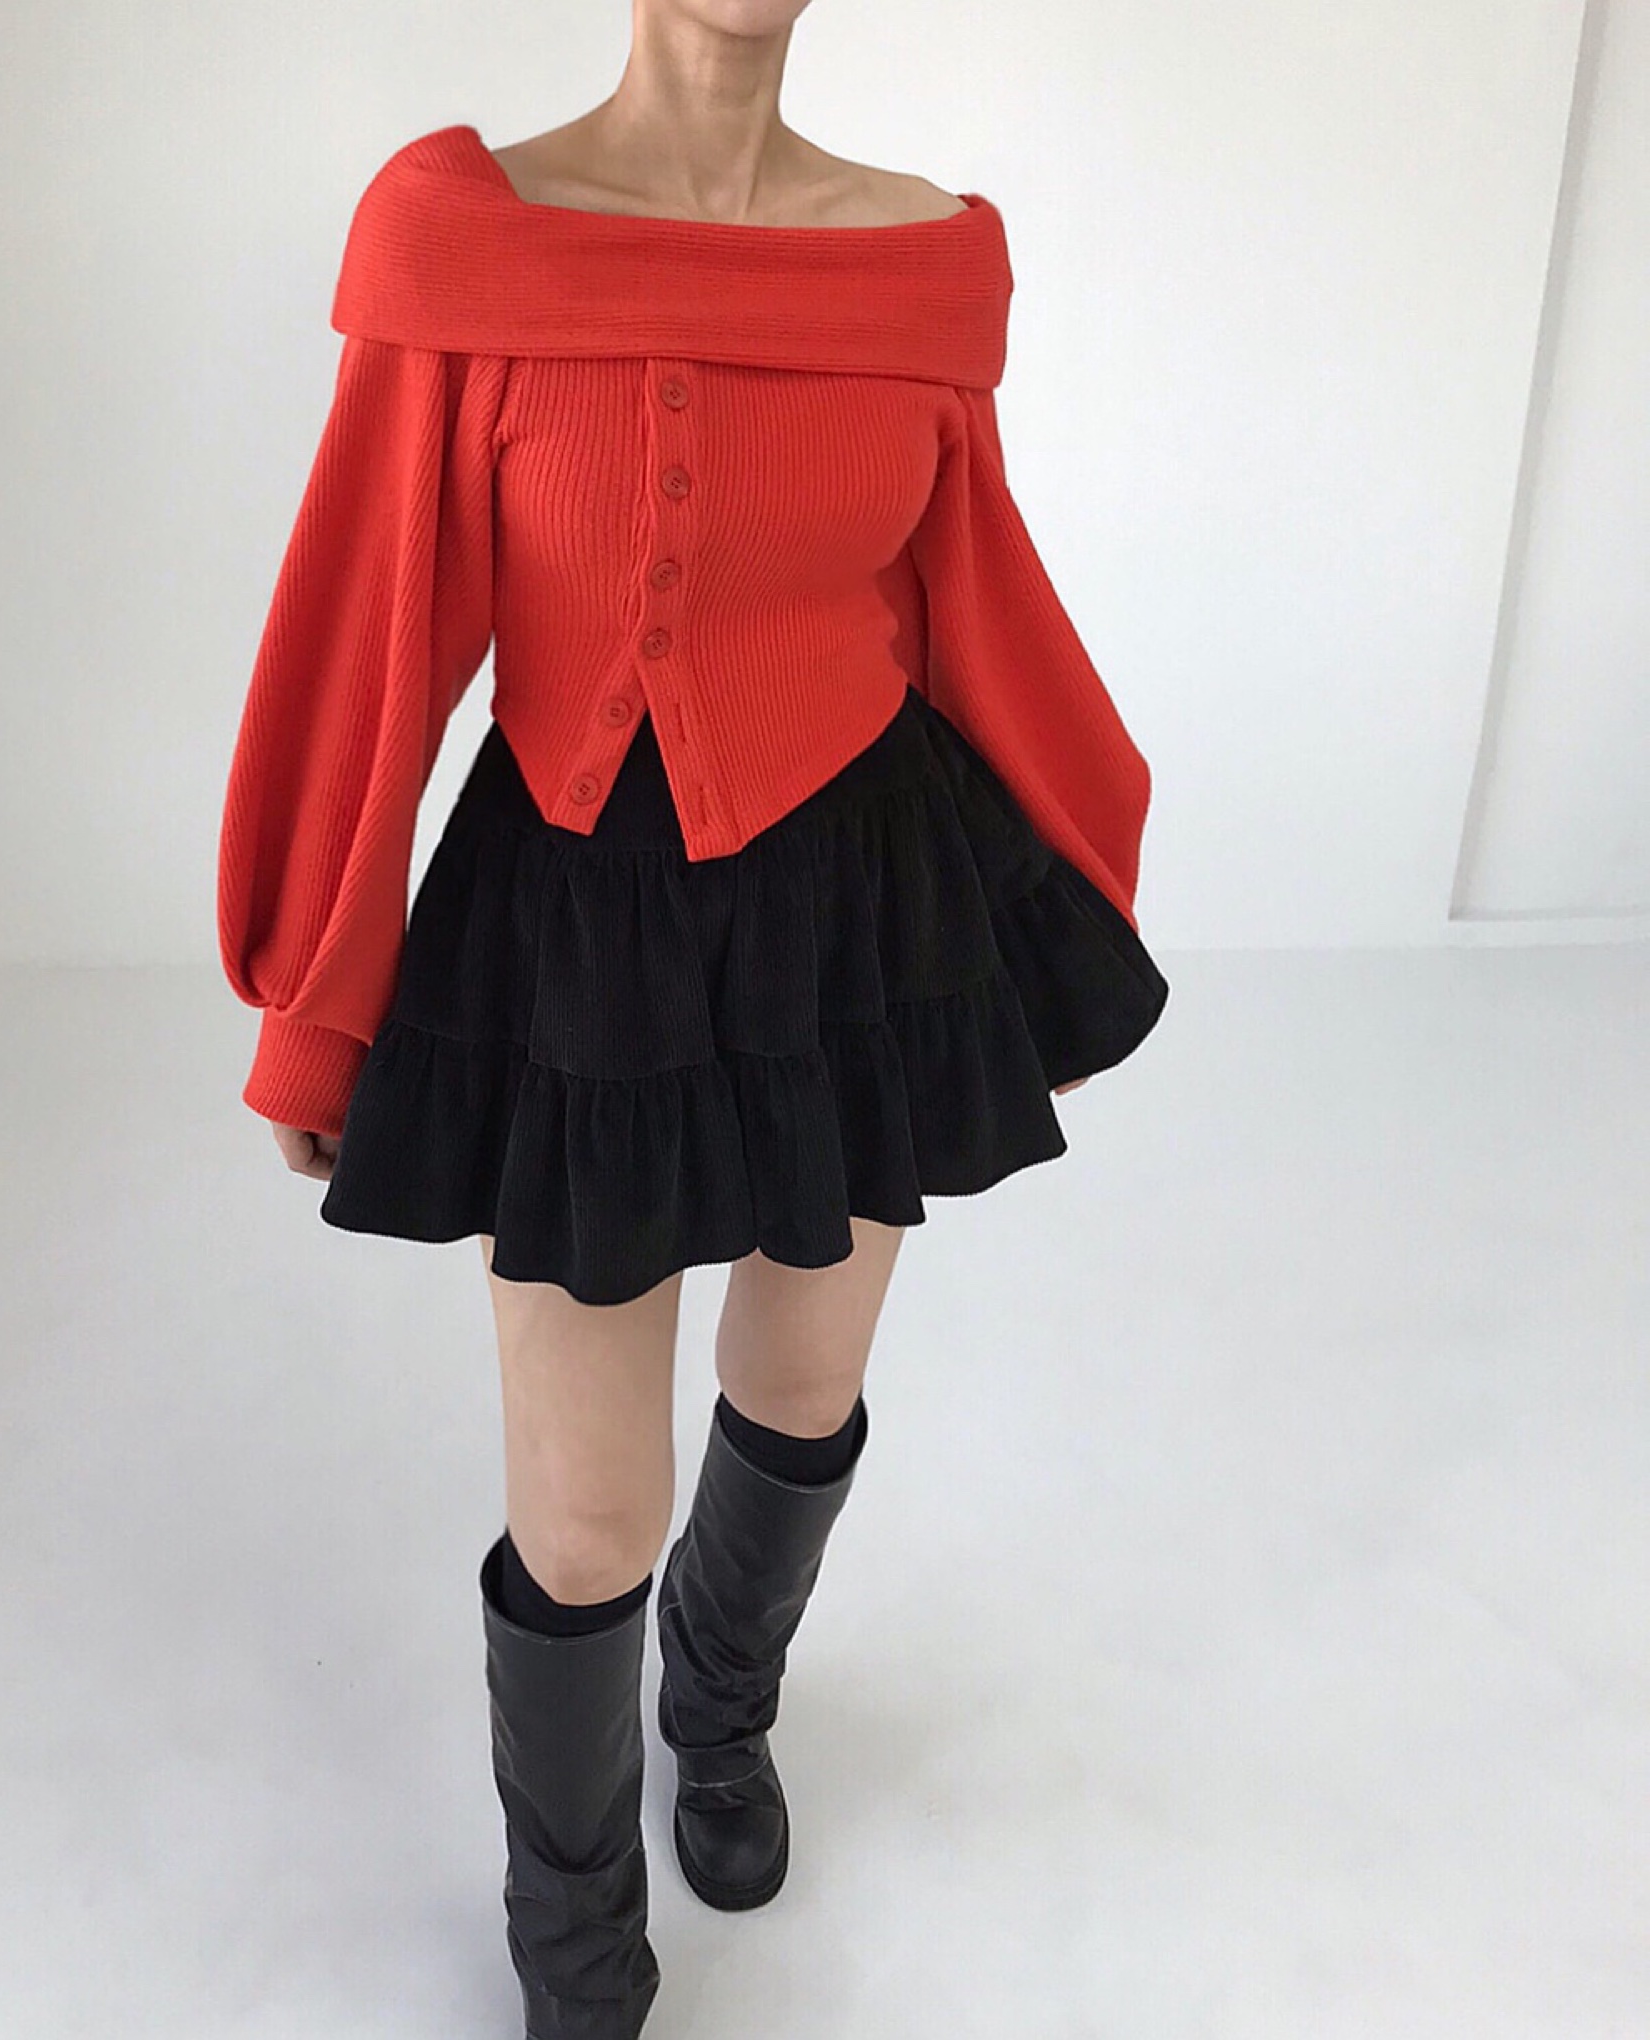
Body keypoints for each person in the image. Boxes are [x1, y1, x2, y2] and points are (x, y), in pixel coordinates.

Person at [217, 5, 1170, 2031]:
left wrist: (1062, 920)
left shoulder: (922, 263)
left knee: (804, 1389)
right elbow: (372, 631)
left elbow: (978, 606)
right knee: (588, 1517)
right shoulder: (459, 236)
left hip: (863, 916)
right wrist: (316, 992)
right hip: (576, 927)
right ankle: (572, 1920)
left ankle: (720, 1718)